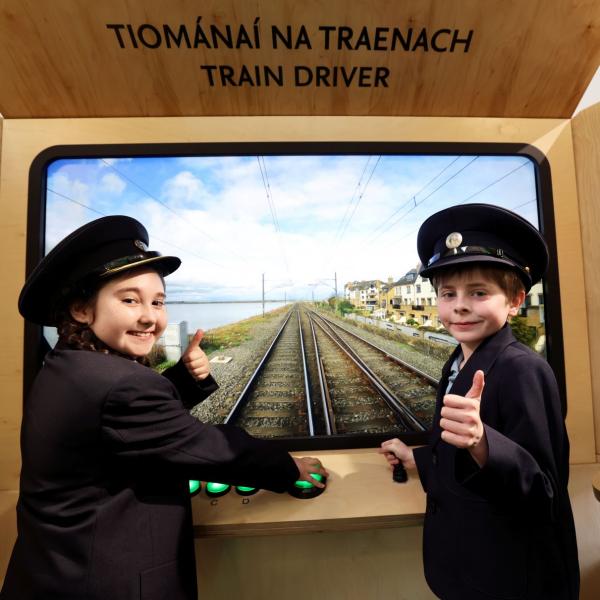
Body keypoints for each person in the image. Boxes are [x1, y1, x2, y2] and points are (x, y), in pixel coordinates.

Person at [2, 215, 327, 600]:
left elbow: (119, 425)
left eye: (158, 302)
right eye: (129, 300)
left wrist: (183, 380)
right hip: (105, 583)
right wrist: (289, 467)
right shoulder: (120, 383)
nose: (150, 317)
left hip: (54, 572)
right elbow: (207, 447)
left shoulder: (66, 366)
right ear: (81, 309)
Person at [379, 204, 579, 599]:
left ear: (516, 300)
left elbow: (544, 493)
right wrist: (415, 457)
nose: (460, 306)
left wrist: (482, 442)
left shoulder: (523, 369)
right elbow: (460, 460)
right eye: (448, 294)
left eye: (479, 292)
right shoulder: (459, 360)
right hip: (470, 564)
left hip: (512, 576)